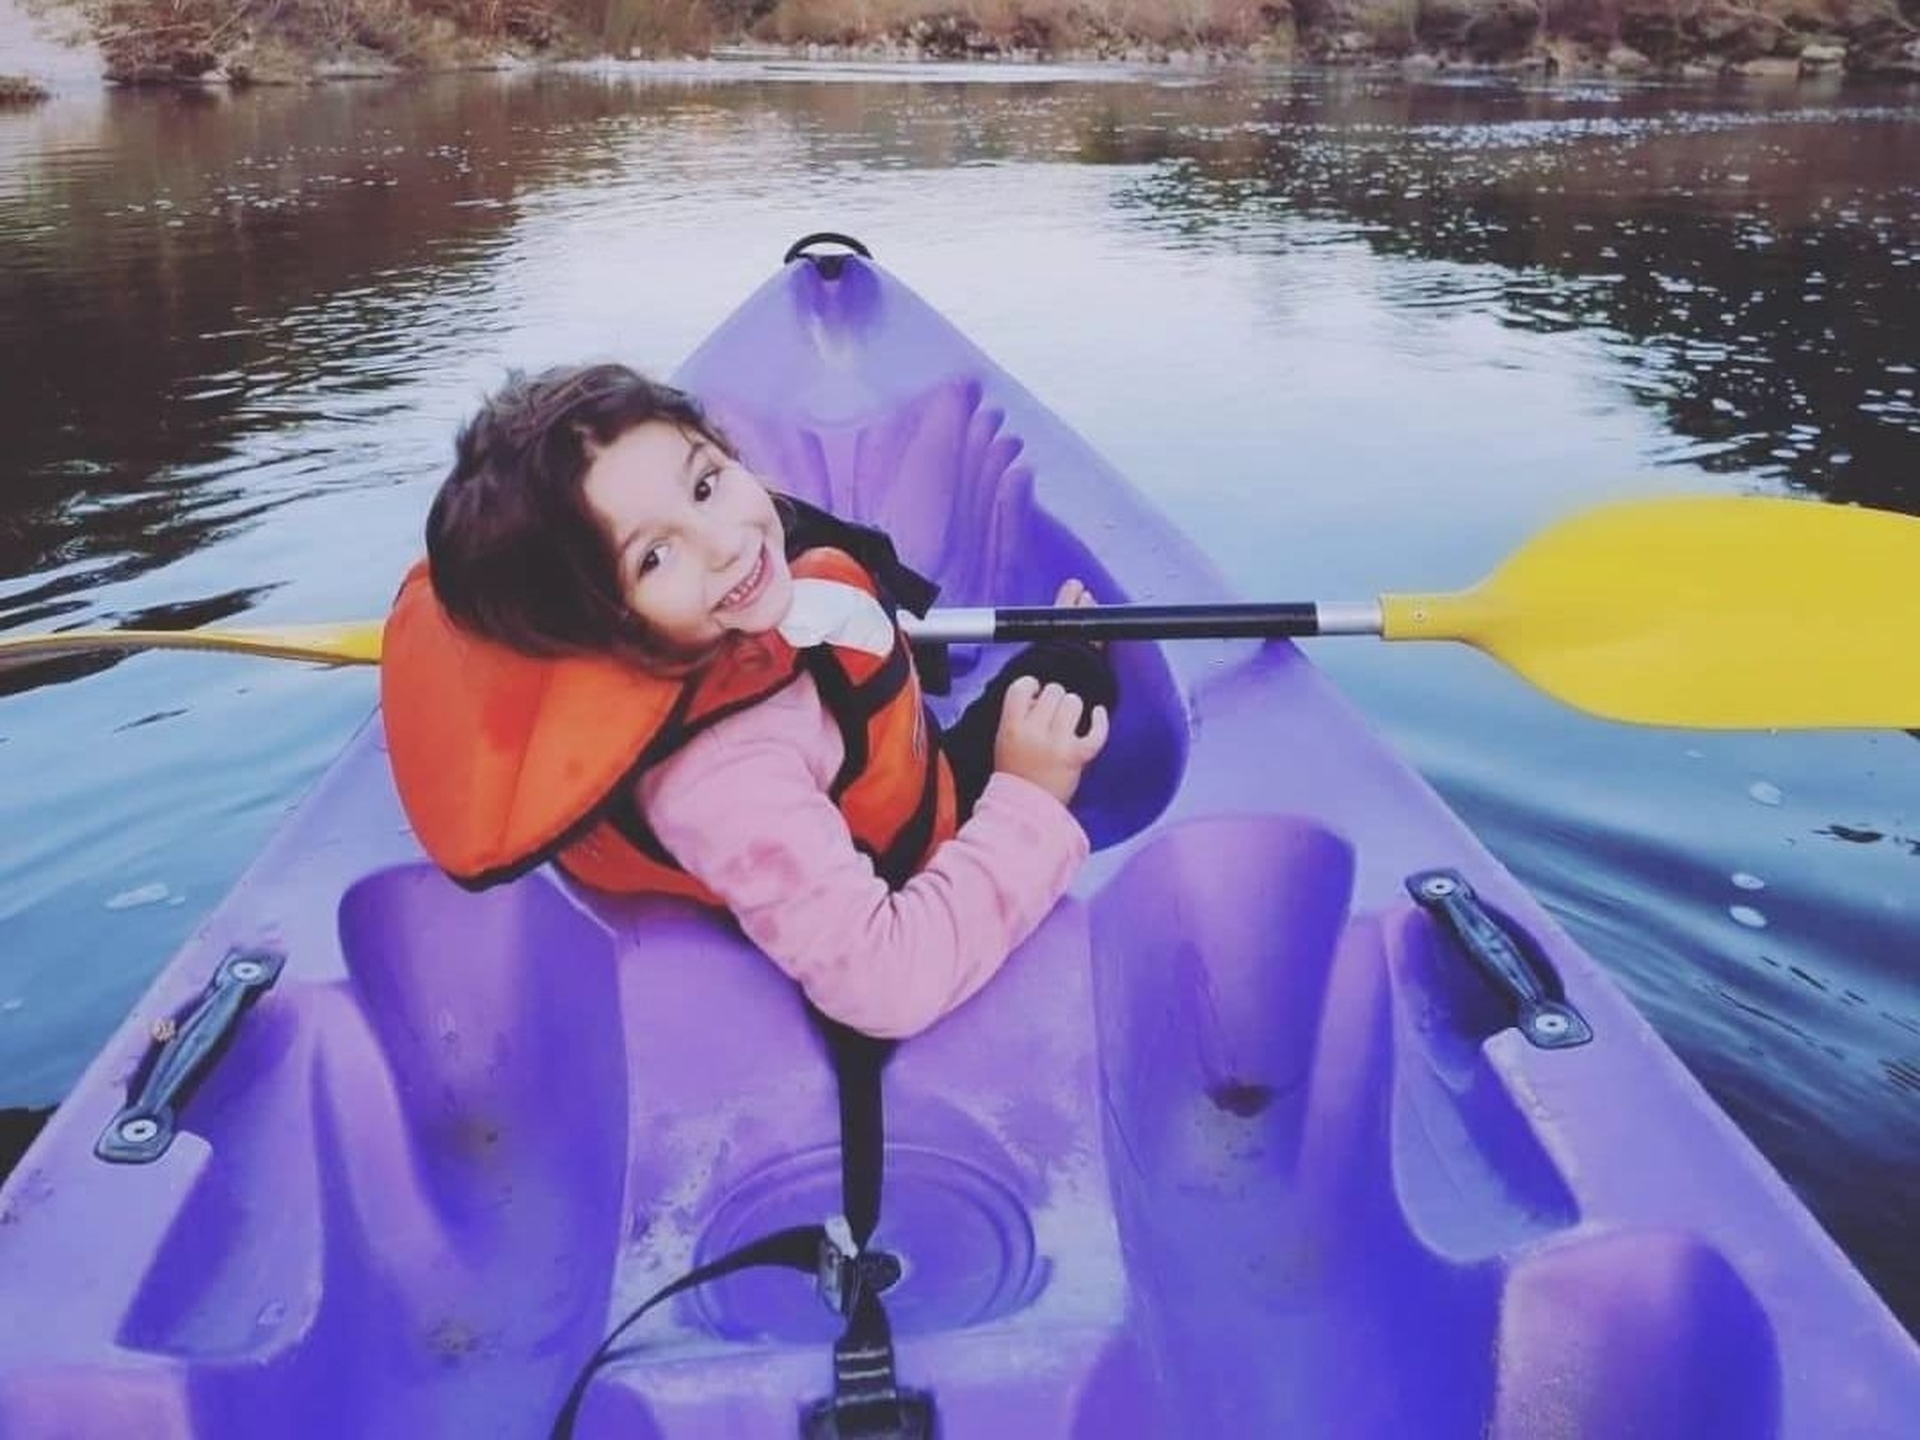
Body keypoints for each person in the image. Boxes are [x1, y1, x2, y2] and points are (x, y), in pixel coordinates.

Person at [381, 362, 1116, 1040]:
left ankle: (1054, 670)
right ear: (600, 630)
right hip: (901, 872)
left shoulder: (718, 609)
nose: (726, 544)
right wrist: (1028, 797)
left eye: (705, 484)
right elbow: (888, 984)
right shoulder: (727, 779)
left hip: (892, 787)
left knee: (1048, 677)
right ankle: (1064, 677)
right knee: (1076, 688)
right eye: (654, 556)